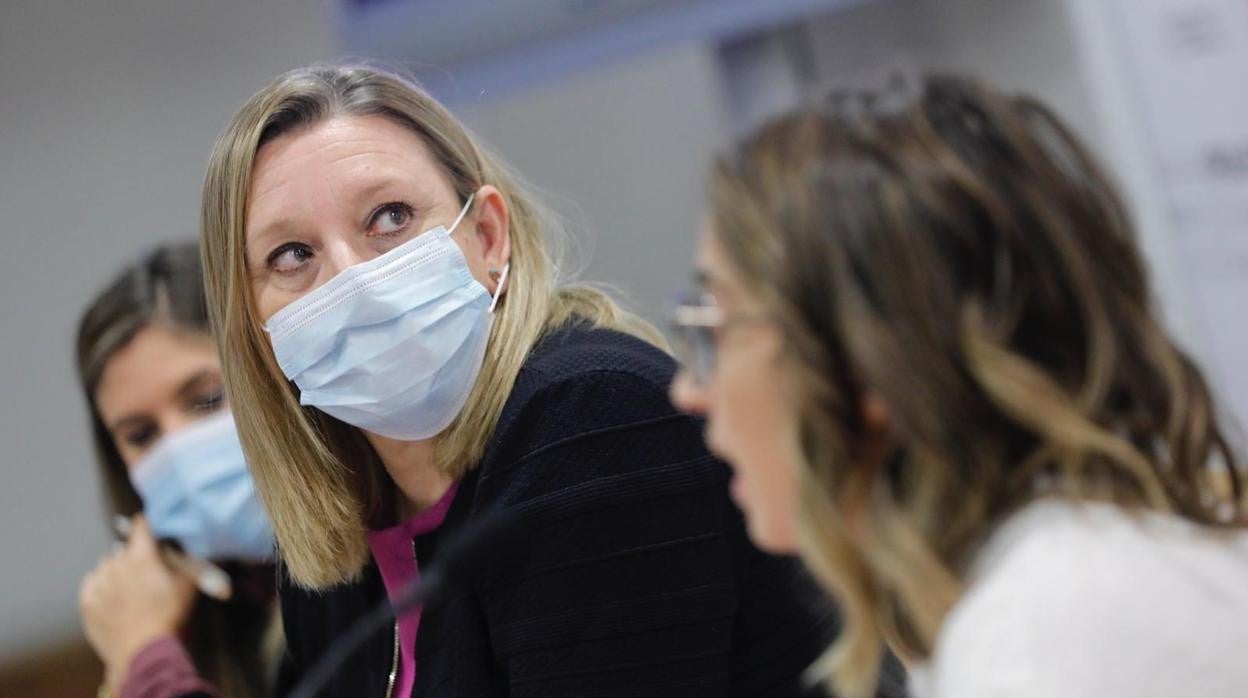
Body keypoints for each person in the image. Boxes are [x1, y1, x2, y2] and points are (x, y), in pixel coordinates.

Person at [199, 63, 895, 698]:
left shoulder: (592, 417)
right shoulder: (339, 528)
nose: (350, 277)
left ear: (489, 237)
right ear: (252, 326)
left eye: (390, 218)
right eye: (292, 255)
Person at [669, 74, 1248, 698]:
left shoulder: (1043, 636)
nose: (689, 391)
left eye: (717, 326)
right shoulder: (1068, 575)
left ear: (865, 364)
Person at [76, 243, 281, 698]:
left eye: (206, 399)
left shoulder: (393, 569)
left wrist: (145, 660)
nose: (178, 448)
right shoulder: (169, 620)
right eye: (142, 435)